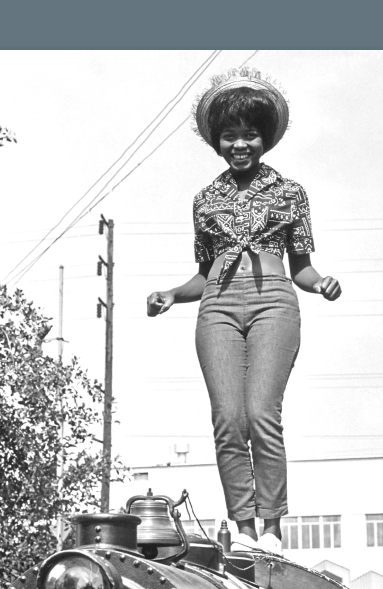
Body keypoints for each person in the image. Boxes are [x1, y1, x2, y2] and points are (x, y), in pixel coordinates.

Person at [146, 68, 341, 555]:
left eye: (249, 135)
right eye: (230, 136)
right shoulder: (206, 200)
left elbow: (302, 268)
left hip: (274, 298)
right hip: (217, 306)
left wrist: (323, 284)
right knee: (228, 417)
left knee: (260, 413)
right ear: (217, 141)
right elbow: (204, 271)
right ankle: (245, 526)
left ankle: (272, 527)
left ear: (265, 138)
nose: (240, 144)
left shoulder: (290, 193)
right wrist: (172, 293)